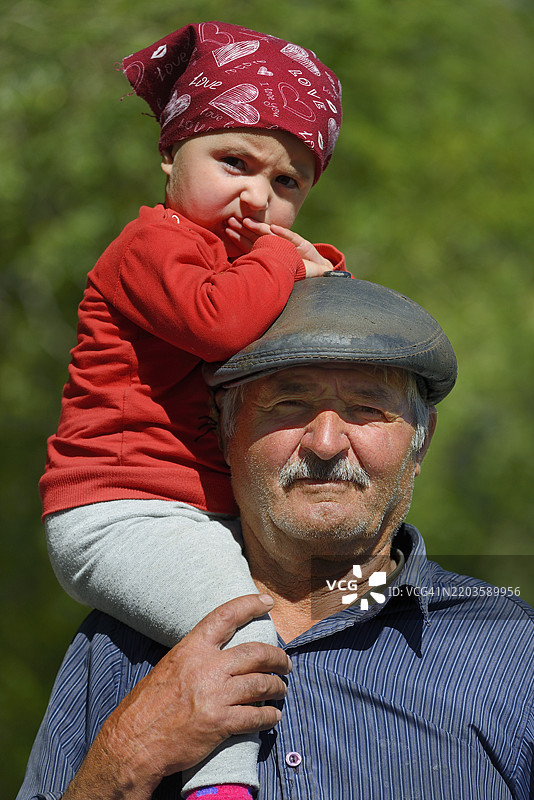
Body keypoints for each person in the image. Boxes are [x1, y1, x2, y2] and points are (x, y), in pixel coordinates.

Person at [20, 275, 534, 799]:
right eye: (289, 403)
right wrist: (123, 758)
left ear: (421, 445)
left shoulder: (515, 655)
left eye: (365, 409)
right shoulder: (116, 646)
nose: (327, 443)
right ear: (224, 430)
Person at [38, 21, 345, 799]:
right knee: (241, 625)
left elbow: (302, 323)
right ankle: (223, 788)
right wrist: (286, 256)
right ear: (173, 157)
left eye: (288, 185)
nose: (257, 196)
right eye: (233, 162)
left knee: (323, 589)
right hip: (118, 509)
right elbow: (218, 321)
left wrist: (318, 267)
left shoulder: (241, 261)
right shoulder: (151, 244)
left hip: (184, 512)